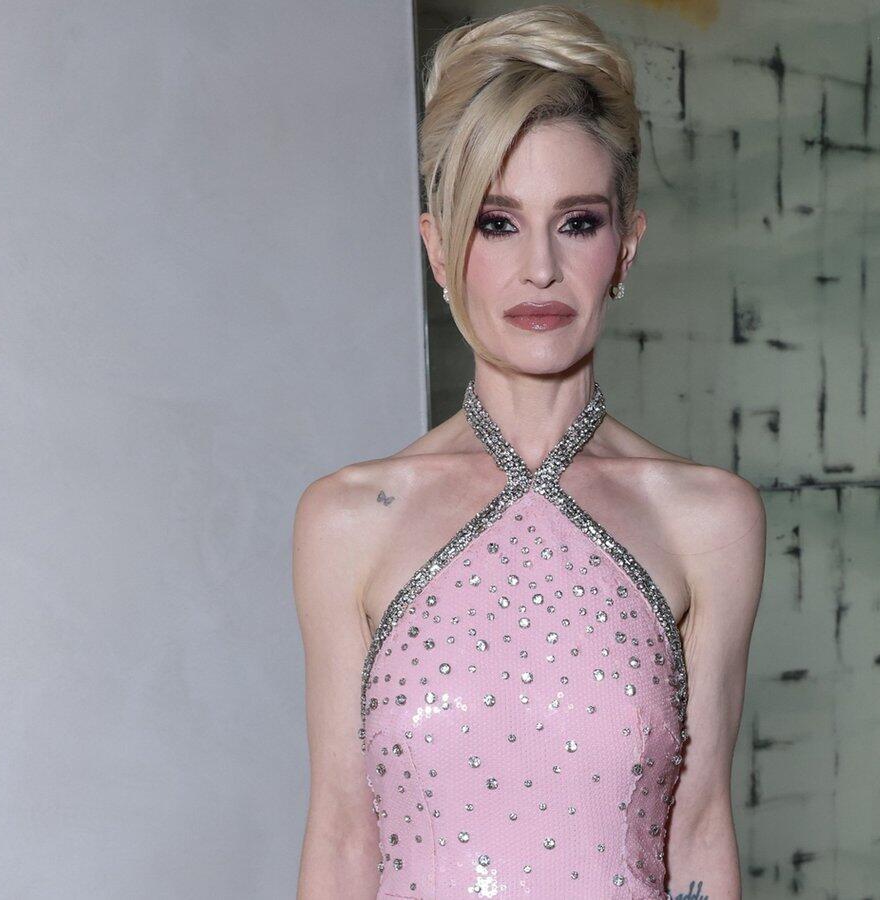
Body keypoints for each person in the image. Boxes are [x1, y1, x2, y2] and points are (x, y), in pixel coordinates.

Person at [293, 6, 764, 898]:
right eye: (497, 223)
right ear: (439, 250)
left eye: (577, 222)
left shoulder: (708, 519)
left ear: (625, 249)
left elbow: (700, 831)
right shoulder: (347, 519)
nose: (539, 268)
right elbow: (342, 836)